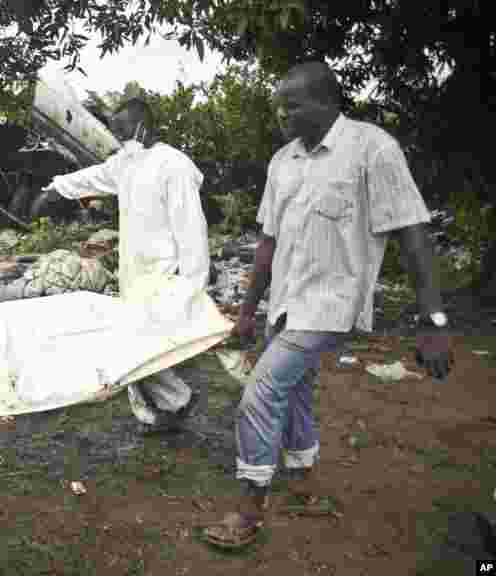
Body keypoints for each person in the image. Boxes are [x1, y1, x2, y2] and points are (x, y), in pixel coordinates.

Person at [200, 62, 453, 549]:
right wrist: (249, 310)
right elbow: (268, 242)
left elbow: (413, 231)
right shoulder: (282, 162)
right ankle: (305, 488)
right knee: (293, 390)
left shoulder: (371, 148)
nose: (282, 114)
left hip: (334, 303)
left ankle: (249, 510)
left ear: (324, 102)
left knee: (262, 390)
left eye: (291, 105)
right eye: (280, 105)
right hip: (289, 303)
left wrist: (434, 319)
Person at [34, 97, 210, 432]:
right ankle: (161, 411)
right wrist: (55, 189)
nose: (119, 138)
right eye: (115, 132)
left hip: (163, 271)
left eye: (123, 130)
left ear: (143, 125)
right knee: (137, 342)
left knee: (138, 343)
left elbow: (191, 228)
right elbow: (92, 177)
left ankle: (174, 403)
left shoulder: (173, 165)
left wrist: (192, 284)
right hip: (133, 270)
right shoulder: (126, 163)